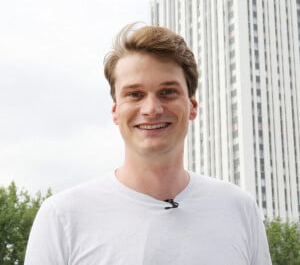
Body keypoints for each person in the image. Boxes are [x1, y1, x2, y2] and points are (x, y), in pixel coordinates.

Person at [25, 23, 272, 264]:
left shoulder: (239, 209)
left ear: (192, 106)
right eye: (135, 94)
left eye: (167, 92)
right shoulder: (62, 217)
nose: (152, 109)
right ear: (115, 111)